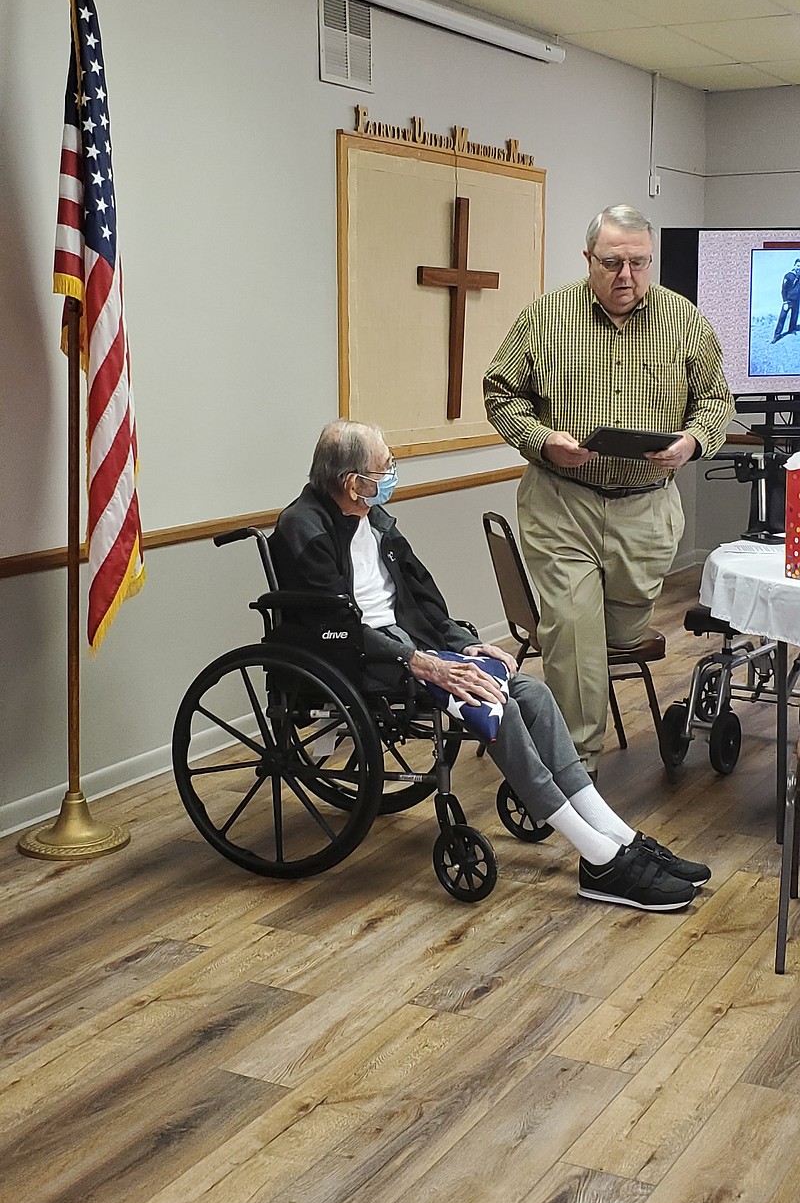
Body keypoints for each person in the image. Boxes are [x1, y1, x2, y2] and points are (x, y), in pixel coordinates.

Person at [270, 419, 712, 912]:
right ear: (353, 482)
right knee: (493, 705)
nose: (392, 473)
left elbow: (422, 595)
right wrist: (419, 662)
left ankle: (615, 835)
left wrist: (465, 643)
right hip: (362, 658)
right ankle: (599, 856)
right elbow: (337, 625)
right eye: (385, 466)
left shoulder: (374, 519)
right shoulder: (303, 527)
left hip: (412, 644)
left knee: (532, 693)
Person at [484, 204, 734, 776]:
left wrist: (691, 443)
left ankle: (566, 725)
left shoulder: (686, 321)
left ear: (652, 260)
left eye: (638, 263)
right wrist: (545, 440)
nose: (626, 276)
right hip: (562, 501)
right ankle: (576, 765)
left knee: (615, 635)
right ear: (588, 259)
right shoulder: (546, 318)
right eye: (612, 262)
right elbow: (501, 393)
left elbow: (718, 405)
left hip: (645, 509)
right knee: (572, 628)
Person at [772, 259, 800, 342]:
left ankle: (791, 330)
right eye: (798, 266)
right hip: (788, 301)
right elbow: (783, 289)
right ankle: (777, 335)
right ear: (794, 266)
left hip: (796, 301)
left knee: (794, 316)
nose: (799, 268)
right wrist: (785, 301)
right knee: (782, 317)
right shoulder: (788, 276)